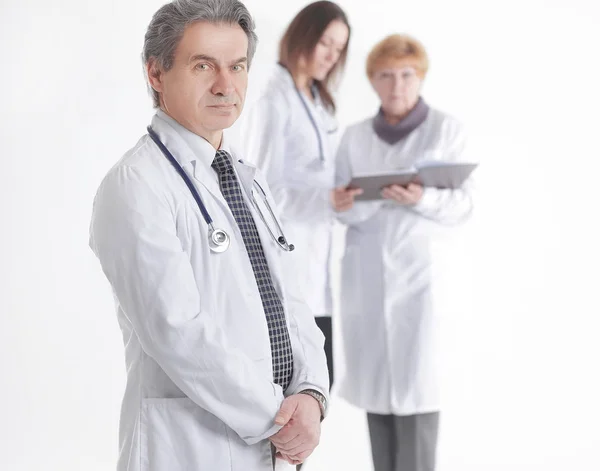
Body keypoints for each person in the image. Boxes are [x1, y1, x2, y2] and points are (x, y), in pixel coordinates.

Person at [88, 1, 330, 470]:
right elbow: (177, 332)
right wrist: (282, 420)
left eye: (237, 66)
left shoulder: (246, 178)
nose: (226, 85)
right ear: (156, 73)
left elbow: (289, 300)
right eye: (203, 66)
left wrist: (312, 394)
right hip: (190, 447)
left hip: (273, 445)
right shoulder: (136, 185)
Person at [332, 34, 475, 471]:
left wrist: (421, 199)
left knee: (417, 400)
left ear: (421, 77)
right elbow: (345, 210)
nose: (397, 86)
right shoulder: (354, 138)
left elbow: (464, 206)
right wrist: (345, 204)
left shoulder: (446, 130)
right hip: (370, 282)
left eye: (407, 75)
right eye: (386, 76)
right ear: (372, 82)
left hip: (422, 283)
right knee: (380, 402)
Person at [242, 0, 351, 399]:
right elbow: (258, 192)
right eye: (325, 43)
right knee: (294, 394)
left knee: (320, 384)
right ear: (302, 35)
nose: (331, 55)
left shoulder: (318, 101)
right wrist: (326, 200)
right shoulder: (274, 97)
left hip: (317, 273)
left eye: (339, 49)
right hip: (285, 274)